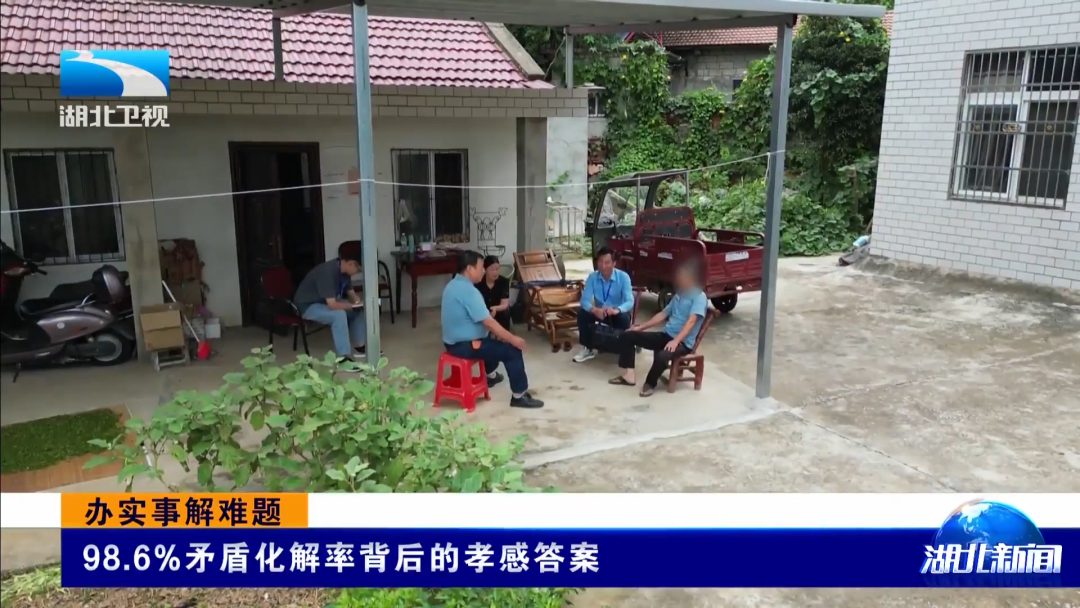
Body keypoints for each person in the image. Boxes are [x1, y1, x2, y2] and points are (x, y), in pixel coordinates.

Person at [442, 250, 544, 408]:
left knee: (494, 338)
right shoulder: (468, 291)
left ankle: (490, 374)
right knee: (512, 350)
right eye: (481, 267)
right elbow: (489, 322)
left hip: (453, 341)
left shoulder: (453, 285)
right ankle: (519, 396)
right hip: (464, 345)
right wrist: (513, 339)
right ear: (470, 269)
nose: (483, 271)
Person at [609, 260, 708, 397]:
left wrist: (676, 341)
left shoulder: (699, 297)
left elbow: (692, 321)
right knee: (628, 335)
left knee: (662, 355)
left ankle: (650, 383)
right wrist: (641, 327)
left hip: (683, 343)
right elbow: (663, 314)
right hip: (666, 335)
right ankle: (629, 376)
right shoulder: (680, 294)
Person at [293, 248, 368, 364]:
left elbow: (352, 295)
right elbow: (333, 305)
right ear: (351, 263)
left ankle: (360, 347)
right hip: (307, 306)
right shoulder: (327, 272)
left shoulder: (345, 273)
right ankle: (342, 358)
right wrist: (352, 306)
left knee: (357, 311)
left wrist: (359, 303)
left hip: (323, 301)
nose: (358, 273)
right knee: (338, 315)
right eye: (358, 269)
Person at [572, 247, 635, 363]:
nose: (603, 266)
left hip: (616, 312)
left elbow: (629, 301)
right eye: (600, 261)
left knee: (624, 318)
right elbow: (584, 300)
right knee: (582, 313)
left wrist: (617, 310)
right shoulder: (593, 277)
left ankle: (624, 346)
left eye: (607, 262)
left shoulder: (623, 277)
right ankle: (587, 348)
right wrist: (593, 310)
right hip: (600, 312)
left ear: (614, 263)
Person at [476, 255, 511, 330]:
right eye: (492, 270)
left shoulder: (504, 282)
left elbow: (505, 304)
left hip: (498, 309)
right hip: (482, 311)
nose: (495, 272)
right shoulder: (478, 282)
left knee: (506, 312)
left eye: (497, 269)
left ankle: (503, 334)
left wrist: (495, 308)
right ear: (485, 270)